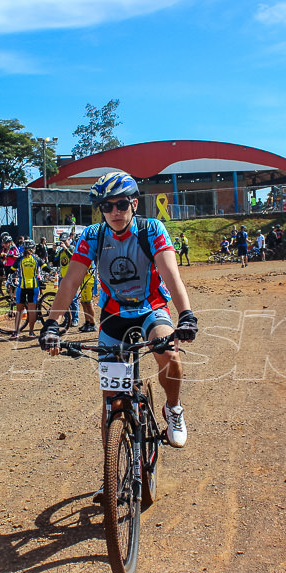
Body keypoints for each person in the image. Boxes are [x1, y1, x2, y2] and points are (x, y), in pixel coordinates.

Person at [40, 171, 198, 458]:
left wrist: (186, 315)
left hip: (150, 308)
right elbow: (71, 281)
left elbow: (171, 274)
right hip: (113, 315)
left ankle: (173, 408)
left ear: (134, 204)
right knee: (111, 402)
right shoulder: (93, 235)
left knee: (170, 355)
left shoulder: (151, 230)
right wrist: (51, 324)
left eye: (121, 204)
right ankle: (110, 472)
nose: (115, 212)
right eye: (107, 206)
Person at [11, 240, 41, 339]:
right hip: (33, 287)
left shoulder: (20, 259)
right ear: (33, 248)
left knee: (19, 310)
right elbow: (47, 268)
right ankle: (31, 332)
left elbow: (11, 270)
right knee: (32, 310)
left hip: (22, 287)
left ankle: (16, 332)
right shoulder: (36, 259)